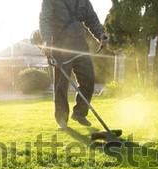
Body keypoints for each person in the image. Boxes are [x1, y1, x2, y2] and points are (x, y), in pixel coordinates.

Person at [39, 0, 109, 130]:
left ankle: (79, 113)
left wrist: (100, 35)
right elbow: (45, 20)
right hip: (61, 48)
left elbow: (91, 18)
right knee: (61, 85)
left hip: (81, 47)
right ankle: (61, 120)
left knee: (88, 79)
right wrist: (46, 42)